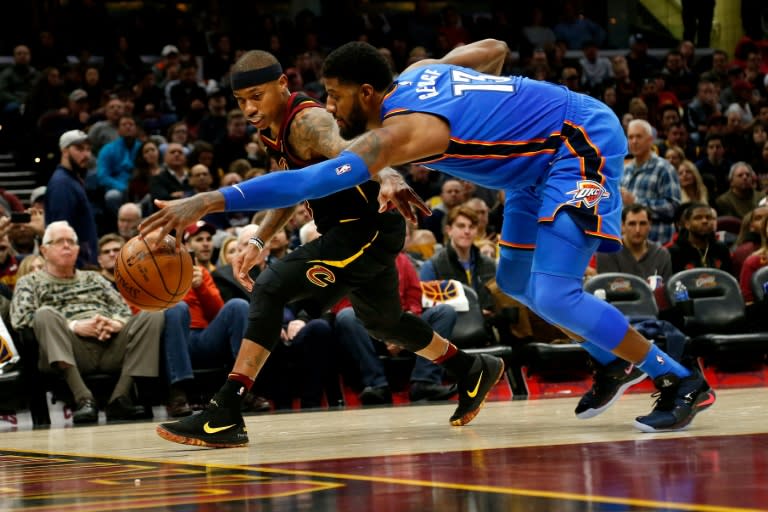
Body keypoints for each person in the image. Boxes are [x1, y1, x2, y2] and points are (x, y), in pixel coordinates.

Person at [142, 39, 717, 434]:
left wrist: (212, 200)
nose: (331, 108)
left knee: (558, 291)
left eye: (338, 95)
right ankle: (612, 360)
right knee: (515, 280)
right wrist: (493, 99)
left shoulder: (403, 130)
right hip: (528, 169)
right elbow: (492, 50)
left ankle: (680, 378)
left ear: (368, 92)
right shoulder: (418, 73)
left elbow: (313, 178)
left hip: (580, 144)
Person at [143, 49, 504, 447]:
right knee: (383, 321)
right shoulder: (271, 129)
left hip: (366, 228)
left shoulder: (309, 120)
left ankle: (225, 409)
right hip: (352, 231)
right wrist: (259, 239)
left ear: (283, 85)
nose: (248, 108)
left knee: (272, 286)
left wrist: (385, 173)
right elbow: (294, 187)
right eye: (241, 101)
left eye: (257, 96)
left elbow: (348, 150)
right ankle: (471, 368)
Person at [10, 221, 163, 423]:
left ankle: (120, 398)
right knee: (44, 313)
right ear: (44, 250)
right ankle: (83, 399)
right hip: (68, 348)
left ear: (77, 249)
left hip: (110, 342)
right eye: (59, 242)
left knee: (153, 314)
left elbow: (122, 310)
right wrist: (74, 326)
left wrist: (115, 323)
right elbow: (21, 319)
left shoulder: (95, 278)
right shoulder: (29, 282)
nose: (67, 246)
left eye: (71, 242)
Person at [622, 119, 682, 245]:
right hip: (628, 245)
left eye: (639, 137)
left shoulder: (664, 168)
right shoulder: (625, 170)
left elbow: (673, 209)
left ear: (650, 140)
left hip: (657, 244)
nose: (634, 141)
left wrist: (636, 202)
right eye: (630, 137)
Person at [45, 130, 99, 268]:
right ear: (64, 151)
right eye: (79, 149)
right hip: (75, 266)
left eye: (88, 149)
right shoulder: (62, 184)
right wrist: (80, 263)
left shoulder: (72, 180)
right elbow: (61, 231)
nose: (86, 154)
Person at [596, 204, 673, 283]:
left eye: (642, 223)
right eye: (632, 224)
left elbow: (666, 291)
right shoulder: (607, 252)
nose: (637, 230)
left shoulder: (661, 255)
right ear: (622, 226)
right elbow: (608, 289)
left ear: (650, 225)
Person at [668, 203, 733, 274]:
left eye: (708, 217)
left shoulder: (721, 249)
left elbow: (729, 279)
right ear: (687, 224)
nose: (704, 221)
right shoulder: (675, 252)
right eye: (698, 218)